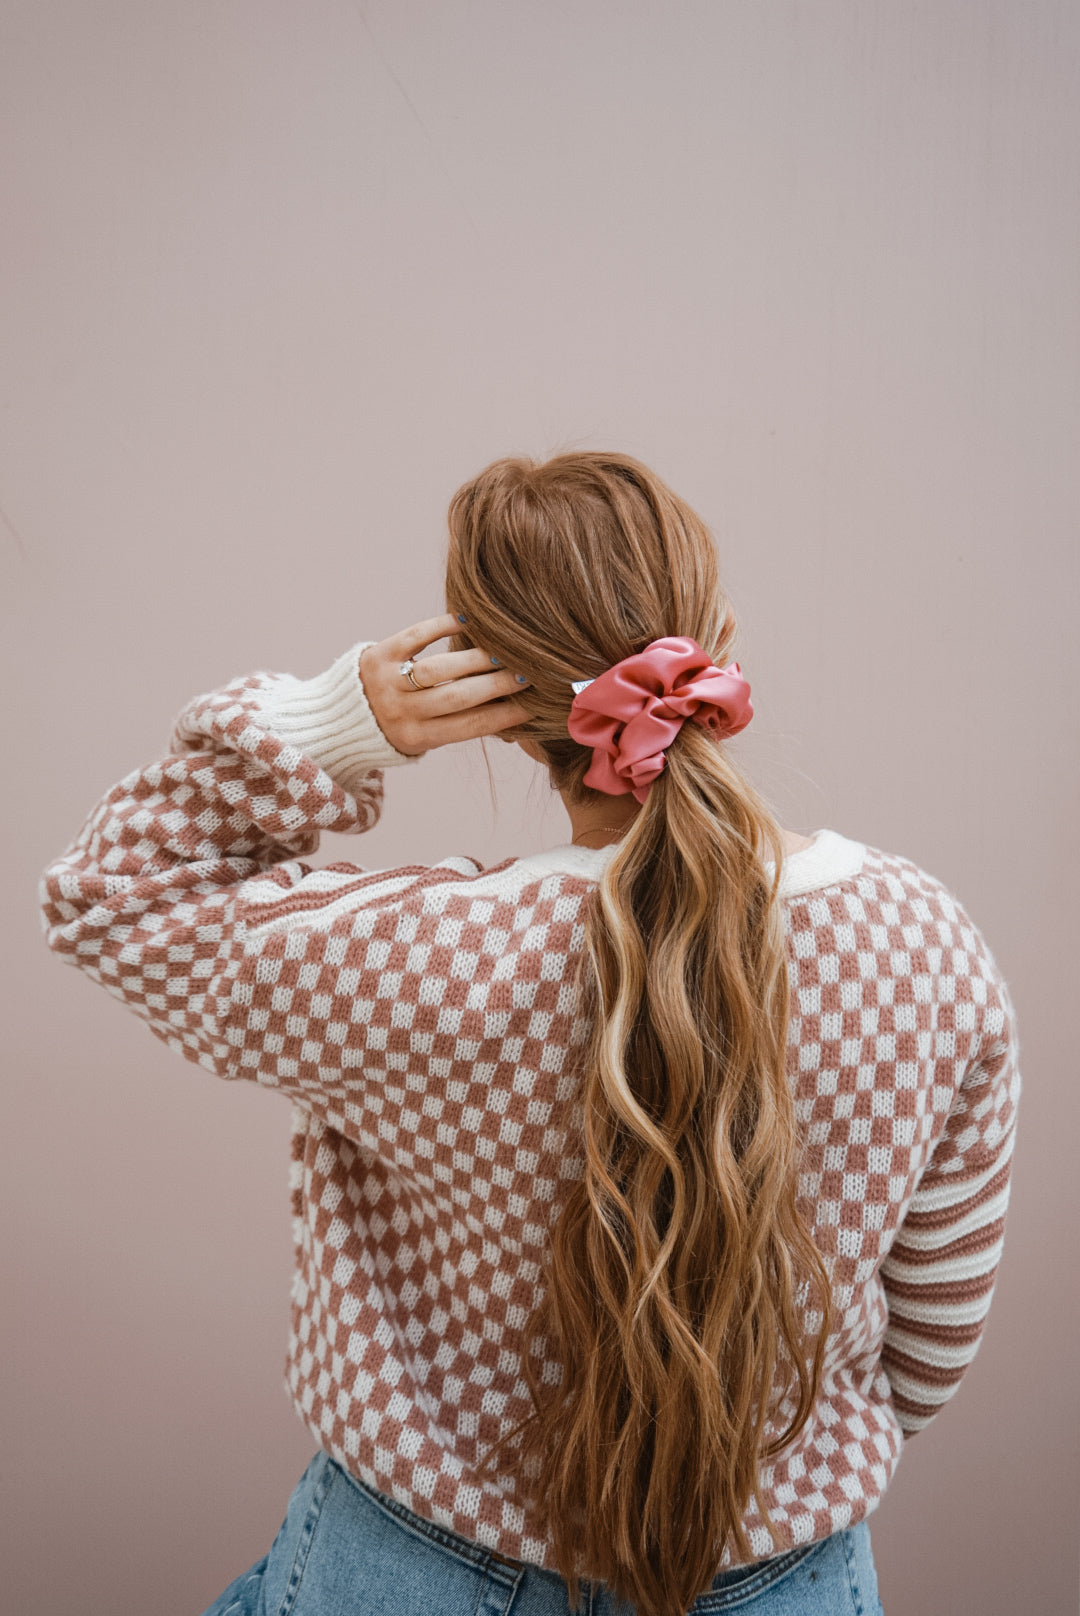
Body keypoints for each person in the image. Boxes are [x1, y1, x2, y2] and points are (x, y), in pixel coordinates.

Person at [39, 452, 1021, 1616]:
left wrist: (336, 721)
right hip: (776, 1581)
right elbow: (933, 1337)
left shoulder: (411, 956)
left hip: (408, 1576)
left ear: (505, 711)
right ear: (720, 640)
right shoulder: (923, 942)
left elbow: (113, 892)